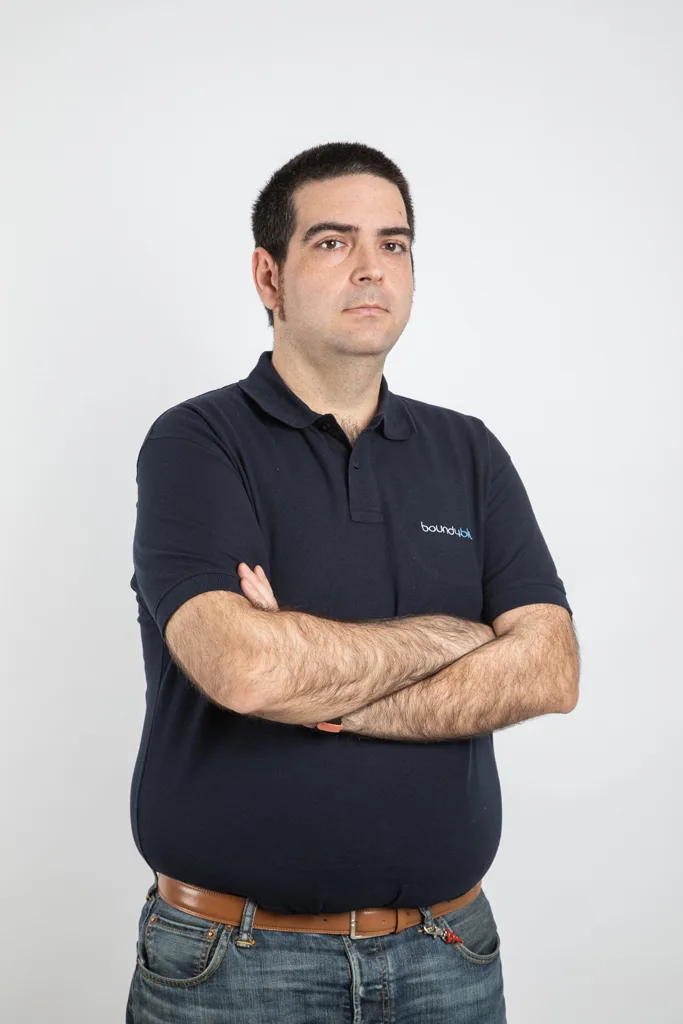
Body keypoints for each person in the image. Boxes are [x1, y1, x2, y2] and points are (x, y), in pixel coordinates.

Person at [125, 141, 579, 1022]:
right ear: (269, 276)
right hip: (233, 963)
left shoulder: (468, 451)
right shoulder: (197, 442)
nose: (371, 268)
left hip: (448, 953)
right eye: (332, 242)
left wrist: (327, 697)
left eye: (393, 244)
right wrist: (462, 638)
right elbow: (248, 669)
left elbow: (549, 670)